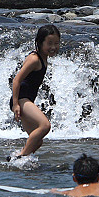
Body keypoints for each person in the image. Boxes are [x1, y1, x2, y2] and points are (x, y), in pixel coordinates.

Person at [9, 24, 60, 158]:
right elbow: (16, 80)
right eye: (49, 43)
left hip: (26, 99)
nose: (53, 47)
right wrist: (15, 104)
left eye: (56, 43)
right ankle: (22, 158)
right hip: (21, 99)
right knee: (45, 126)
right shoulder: (34, 59)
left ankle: (14, 159)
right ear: (39, 42)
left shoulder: (43, 58)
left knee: (37, 141)